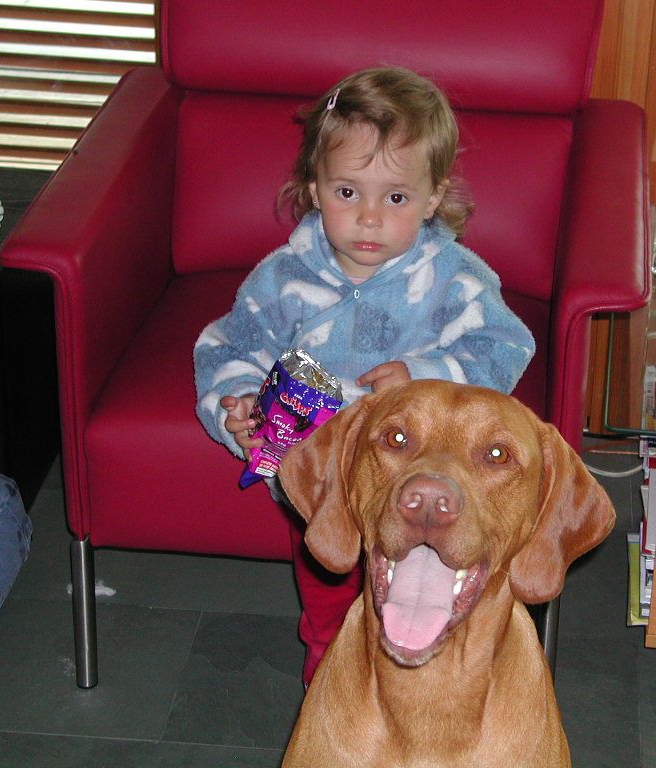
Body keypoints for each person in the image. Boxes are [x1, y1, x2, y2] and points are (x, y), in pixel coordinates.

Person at [193, 66, 535, 686]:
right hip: (320, 489)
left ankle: (422, 695)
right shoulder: (284, 277)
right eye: (347, 192)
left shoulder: (456, 281)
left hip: (417, 492)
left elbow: (506, 345)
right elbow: (229, 346)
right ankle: (331, 696)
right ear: (314, 187)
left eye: (395, 198)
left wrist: (422, 377)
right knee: (328, 615)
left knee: (424, 607)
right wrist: (236, 406)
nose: (369, 218)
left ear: (433, 198)